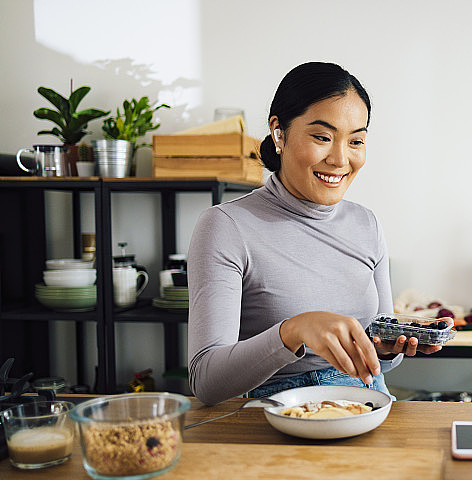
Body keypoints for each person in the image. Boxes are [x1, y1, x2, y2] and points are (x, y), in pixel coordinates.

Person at [187, 62, 451, 405]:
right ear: (279, 132)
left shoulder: (366, 224)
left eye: (356, 141)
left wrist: (384, 349)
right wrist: (292, 331)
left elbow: (382, 364)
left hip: (367, 407)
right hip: (276, 417)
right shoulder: (224, 226)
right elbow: (206, 381)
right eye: (322, 137)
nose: (340, 159)